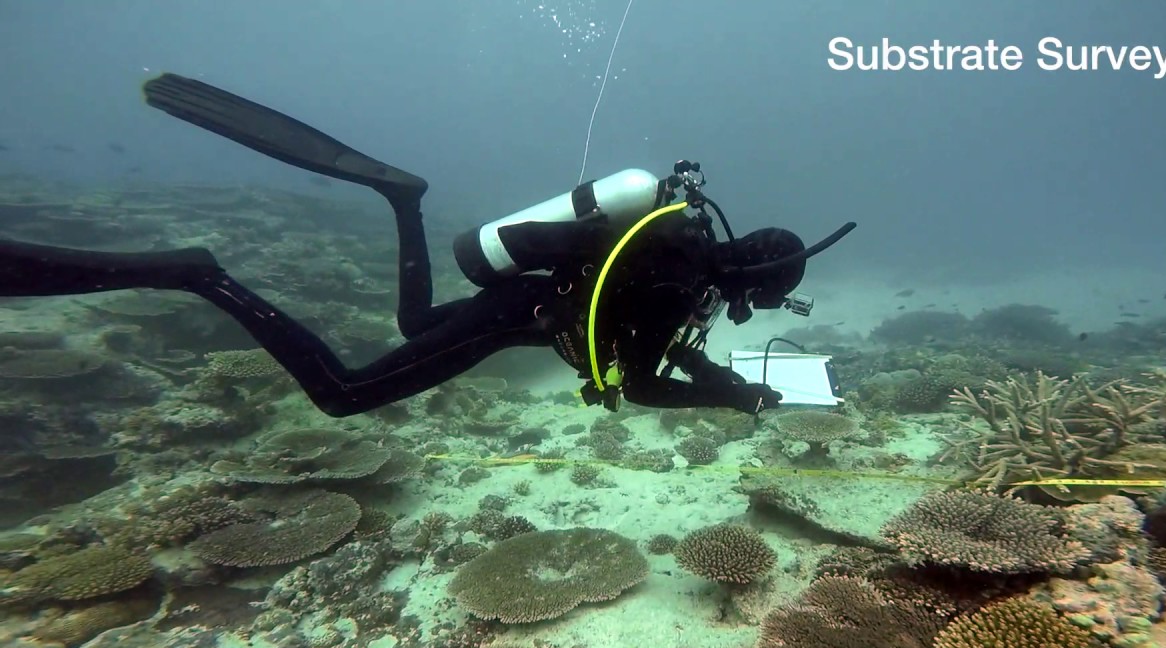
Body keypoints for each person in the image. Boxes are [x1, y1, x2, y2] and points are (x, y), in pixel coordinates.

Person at [0, 74, 854, 418]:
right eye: (772, 298)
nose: (762, 309)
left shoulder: (682, 241)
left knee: (413, 323)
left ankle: (401, 199)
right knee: (339, 395)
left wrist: (725, 383)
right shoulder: (678, 280)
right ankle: (201, 278)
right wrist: (732, 401)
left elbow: (663, 350)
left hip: (521, 297)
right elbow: (638, 382)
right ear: (761, 279)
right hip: (516, 315)